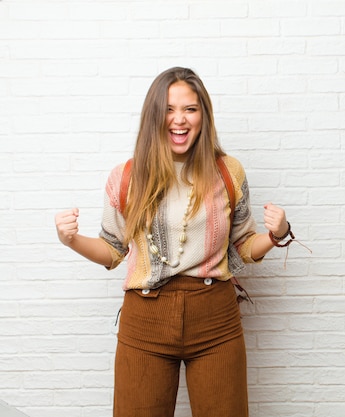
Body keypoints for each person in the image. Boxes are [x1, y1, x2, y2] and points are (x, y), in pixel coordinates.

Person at [54, 67, 292, 417]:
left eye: (190, 109)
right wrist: (71, 239)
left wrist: (276, 235)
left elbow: (243, 246)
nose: (179, 120)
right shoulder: (126, 177)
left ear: (203, 116)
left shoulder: (228, 171)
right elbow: (112, 250)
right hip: (145, 320)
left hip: (215, 320)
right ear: (154, 116)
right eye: (168, 109)